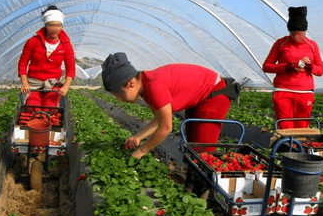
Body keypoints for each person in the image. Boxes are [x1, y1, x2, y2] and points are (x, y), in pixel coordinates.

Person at [101, 52, 238, 160]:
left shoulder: (154, 87)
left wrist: (142, 150)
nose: (118, 99)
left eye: (118, 94)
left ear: (130, 84)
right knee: (192, 146)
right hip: (198, 98)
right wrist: (138, 137)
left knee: (203, 150)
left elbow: (166, 127)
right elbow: (160, 120)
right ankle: (194, 185)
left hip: (214, 94)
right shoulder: (145, 88)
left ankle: (204, 190)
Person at [262, 6, 323, 129]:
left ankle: (299, 148)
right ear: (290, 32)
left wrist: (310, 66)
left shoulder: (312, 45)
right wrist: (289, 67)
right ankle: (288, 147)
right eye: (294, 34)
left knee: (302, 125)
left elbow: (321, 70)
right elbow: (267, 66)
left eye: (301, 34)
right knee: (285, 126)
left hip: (305, 92)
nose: (298, 37)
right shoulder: (281, 43)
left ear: (305, 32)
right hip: (283, 91)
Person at [18, 5, 75, 110]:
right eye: (51, 25)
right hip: (34, 82)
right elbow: (22, 63)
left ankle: (48, 124)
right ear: (46, 25)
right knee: (32, 107)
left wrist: (66, 86)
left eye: (58, 25)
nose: (55, 29)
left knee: (50, 108)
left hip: (53, 83)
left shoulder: (66, 45)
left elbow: (71, 68)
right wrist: (25, 83)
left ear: (61, 26)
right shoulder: (33, 41)